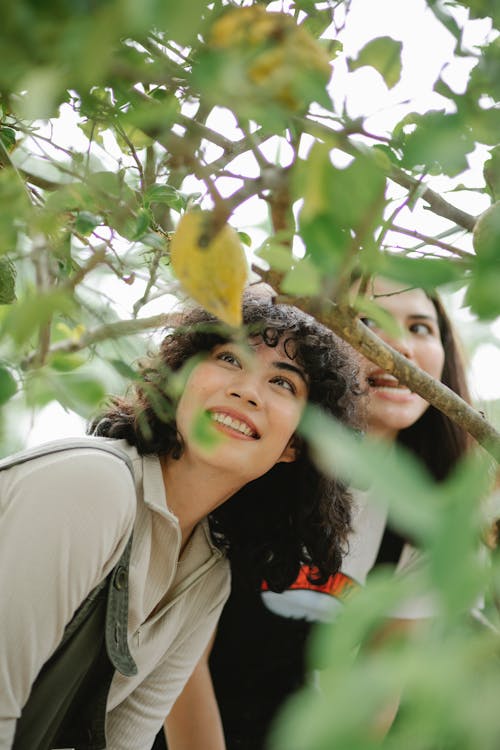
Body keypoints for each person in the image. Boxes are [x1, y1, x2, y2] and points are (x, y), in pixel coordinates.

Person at [0, 293, 362, 750]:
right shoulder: (93, 485)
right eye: (230, 358)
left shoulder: (207, 572)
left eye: (283, 384)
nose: (247, 390)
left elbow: (120, 742)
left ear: (296, 445)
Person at [155, 277, 472, 750]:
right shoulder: (250, 466)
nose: (400, 346)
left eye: (421, 327)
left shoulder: (430, 520)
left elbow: (375, 691)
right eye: (367, 322)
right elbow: (182, 664)